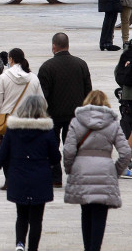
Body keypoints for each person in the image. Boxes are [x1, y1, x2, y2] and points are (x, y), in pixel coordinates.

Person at [0, 94, 61, 251]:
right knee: (36, 219)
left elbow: (2, 154)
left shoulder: (13, 131)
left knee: (21, 215)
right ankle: (33, 248)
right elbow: (55, 156)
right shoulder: (46, 131)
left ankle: (20, 243)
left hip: (19, 177)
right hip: (40, 178)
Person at [64, 90, 132, 251]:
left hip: (81, 171)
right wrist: (115, 172)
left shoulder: (76, 122)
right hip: (105, 171)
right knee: (100, 216)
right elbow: (125, 152)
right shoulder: (113, 124)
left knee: (85, 213)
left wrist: (70, 169)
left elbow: (68, 150)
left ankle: (88, 247)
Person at [37, 32, 92, 188]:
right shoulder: (81, 64)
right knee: (74, 147)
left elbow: (43, 96)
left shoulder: (47, 67)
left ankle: (56, 178)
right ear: (68, 45)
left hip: (53, 115)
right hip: (76, 115)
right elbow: (89, 91)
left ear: (54, 46)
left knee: (52, 147)